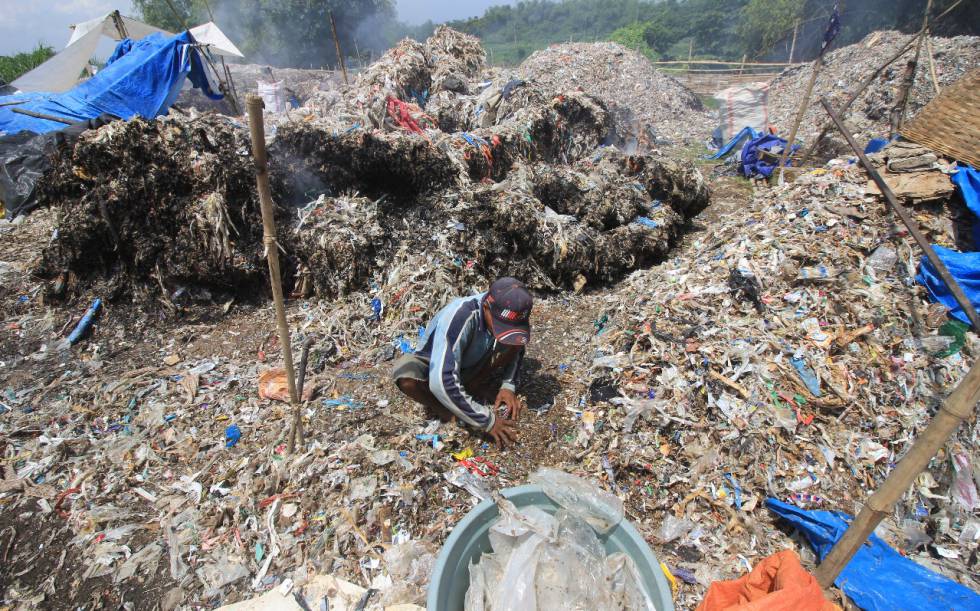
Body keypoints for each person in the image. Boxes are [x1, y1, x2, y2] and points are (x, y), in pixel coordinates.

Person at [392, 277, 532, 447]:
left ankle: (470, 387)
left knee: (511, 344)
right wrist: (488, 421)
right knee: (405, 374)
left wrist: (507, 386)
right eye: (499, 326)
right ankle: (443, 409)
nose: (502, 331)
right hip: (436, 367)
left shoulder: (513, 309)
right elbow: (441, 381)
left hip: (474, 363)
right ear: (486, 307)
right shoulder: (460, 316)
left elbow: (517, 343)